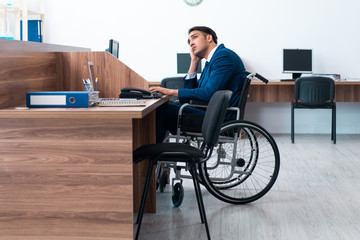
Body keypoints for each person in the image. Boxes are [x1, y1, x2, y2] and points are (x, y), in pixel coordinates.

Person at [150, 26, 247, 143]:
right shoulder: (211, 60)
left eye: (194, 38)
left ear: (209, 38)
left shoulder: (223, 56)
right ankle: (159, 155)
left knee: (160, 111)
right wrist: (194, 61)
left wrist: (171, 92)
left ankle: (155, 155)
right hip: (212, 113)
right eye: (189, 42)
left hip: (220, 119)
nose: (191, 43)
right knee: (164, 108)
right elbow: (190, 96)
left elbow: (209, 93)